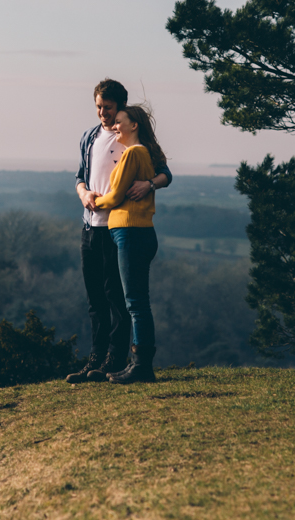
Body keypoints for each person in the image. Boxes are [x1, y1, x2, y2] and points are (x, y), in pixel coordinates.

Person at [66, 80, 171, 384]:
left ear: (121, 108)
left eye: (108, 108)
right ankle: (95, 360)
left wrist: (150, 184)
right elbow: (79, 176)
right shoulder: (89, 137)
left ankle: (116, 360)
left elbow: (165, 173)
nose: (103, 113)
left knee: (120, 299)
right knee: (95, 298)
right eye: (98, 106)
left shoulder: (130, 139)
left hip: (119, 228)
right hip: (91, 227)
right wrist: (83, 193)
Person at [91, 104, 166, 384]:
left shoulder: (135, 152)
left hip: (132, 231)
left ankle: (142, 366)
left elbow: (114, 196)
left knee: (135, 302)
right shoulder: (137, 153)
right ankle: (137, 364)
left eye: (119, 121)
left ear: (134, 125)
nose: (114, 126)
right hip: (131, 231)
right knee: (135, 301)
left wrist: (91, 200)